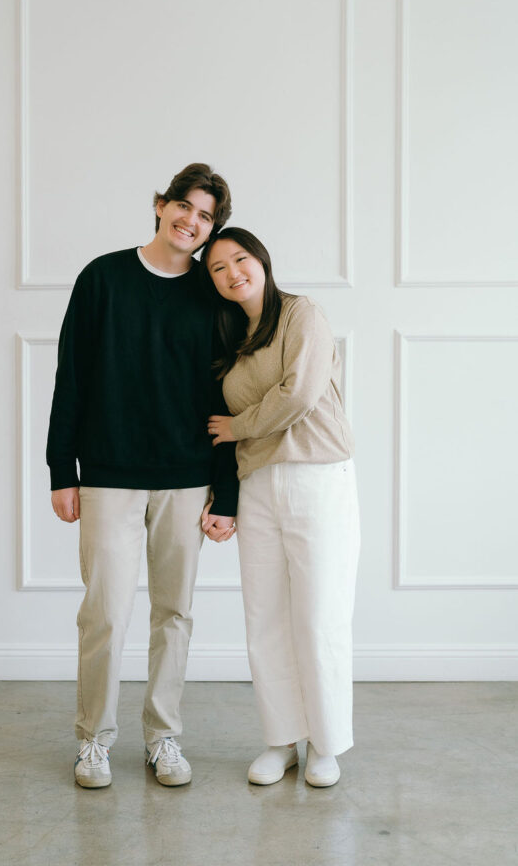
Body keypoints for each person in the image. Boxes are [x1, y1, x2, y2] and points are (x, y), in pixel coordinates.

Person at [46, 164, 239, 790]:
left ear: (213, 228)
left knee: (174, 612)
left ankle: (163, 738)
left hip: (186, 478)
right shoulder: (102, 278)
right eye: (184, 206)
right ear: (160, 205)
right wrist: (61, 471)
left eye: (206, 216)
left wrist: (225, 491)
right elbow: (70, 377)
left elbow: (226, 399)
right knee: (103, 612)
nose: (192, 221)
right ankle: (93, 742)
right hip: (107, 475)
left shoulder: (213, 297)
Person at [201, 227, 360, 788]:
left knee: (319, 616)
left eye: (239, 260)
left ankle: (324, 744)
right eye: (218, 268)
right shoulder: (230, 338)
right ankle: (280, 740)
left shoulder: (302, 314)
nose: (232, 273)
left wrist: (239, 426)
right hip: (259, 485)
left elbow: (297, 396)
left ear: (261, 260)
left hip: (318, 477)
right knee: (265, 618)